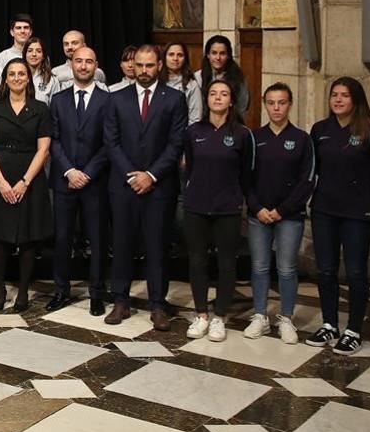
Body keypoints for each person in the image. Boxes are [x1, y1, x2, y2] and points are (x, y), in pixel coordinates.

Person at [305, 77, 370, 355]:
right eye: (334, 95)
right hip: (324, 211)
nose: (338, 100)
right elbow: (312, 169)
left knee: (356, 272)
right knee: (326, 270)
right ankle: (329, 324)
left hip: (357, 214)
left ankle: (353, 330)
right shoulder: (320, 130)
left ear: (356, 99)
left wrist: (365, 196)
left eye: (344, 95)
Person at [103, 45, 187, 330]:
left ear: (159, 65)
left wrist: (150, 175)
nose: (144, 70)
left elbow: (176, 144)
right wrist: (133, 175)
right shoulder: (116, 99)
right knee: (123, 244)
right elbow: (111, 142)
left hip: (159, 187)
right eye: (139, 65)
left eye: (149, 65)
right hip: (124, 186)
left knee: (157, 247)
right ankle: (121, 301)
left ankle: (158, 305)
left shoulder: (174, 99)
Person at [0, 58, 53, 313]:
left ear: (28, 78)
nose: (17, 78)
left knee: (28, 238)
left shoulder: (40, 108)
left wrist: (24, 182)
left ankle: (22, 291)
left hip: (30, 176)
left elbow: (44, 149)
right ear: (5, 79)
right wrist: (1, 182)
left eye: (22, 74)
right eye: (12, 74)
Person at [181, 79, 255, 342]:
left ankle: (219, 316)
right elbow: (189, 166)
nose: (218, 98)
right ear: (207, 99)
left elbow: (246, 173)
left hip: (228, 208)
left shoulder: (242, 134)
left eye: (224, 94)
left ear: (231, 100)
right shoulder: (193, 131)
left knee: (226, 263)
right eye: (213, 93)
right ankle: (201, 314)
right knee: (198, 261)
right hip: (196, 206)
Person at [244, 82, 314, 344]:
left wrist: (282, 210)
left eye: (281, 102)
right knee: (260, 267)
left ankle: (286, 318)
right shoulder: (254, 137)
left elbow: (306, 180)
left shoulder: (301, 139)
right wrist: (258, 208)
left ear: (290, 104)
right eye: (271, 102)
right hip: (258, 215)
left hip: (289, 216)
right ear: (265, 104)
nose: (276, 108)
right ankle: (260, 315)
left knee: (286, 269)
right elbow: (245, 179)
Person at [48, 47, 111, 315]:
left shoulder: (108, 101)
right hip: (64, 180)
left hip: (95, 182)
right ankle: (62, 290)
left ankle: (97, 293)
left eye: (88, 62)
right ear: (71, 64)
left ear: (96, 66)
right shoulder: (58, 99)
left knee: (96, 240)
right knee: (62, 238)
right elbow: (54, 139)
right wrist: (70, 171)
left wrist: (87, 172)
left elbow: (110, 143)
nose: (83, 66)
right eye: (78, 61)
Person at [195, 35, 249, 118]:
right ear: (208, 55)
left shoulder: (238, 78)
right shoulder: (198, 78)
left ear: (228, 56)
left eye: (222, 53)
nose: (218, 58)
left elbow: (242, 107)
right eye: (214, 53)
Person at [163, 41, 202, 124]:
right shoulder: (156, 81)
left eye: (180, 55)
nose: (175, 59)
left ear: (185, 59)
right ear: (164, 57)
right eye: (171, 54)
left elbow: (195, 119)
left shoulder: (191, 85)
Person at [24, 36, 63, 104]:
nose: (34, 54)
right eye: (30, 51)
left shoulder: (51, 80)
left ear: (43, 56)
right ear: (25, 54)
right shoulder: (17, 77)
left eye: (38, 51)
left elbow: (56, 107)